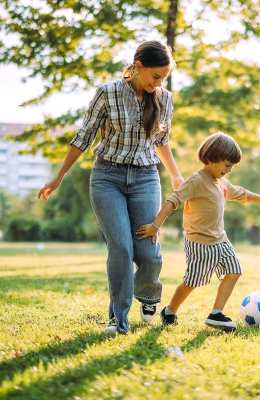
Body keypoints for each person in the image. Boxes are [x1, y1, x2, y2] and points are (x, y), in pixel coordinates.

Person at [38, 41, 184, 335]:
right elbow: (83, 138)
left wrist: (176, 177)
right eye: (156, 76)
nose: (160, 83)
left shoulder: (164, 99)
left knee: (149, 253)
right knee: (120, 247)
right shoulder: (108, 93)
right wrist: (59, 177)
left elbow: (161, 142)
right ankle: (118, 320)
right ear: (138, 66)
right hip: (108, 178)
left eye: (164, 77)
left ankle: (148, 295)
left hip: (145, 178)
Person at [136, 133, 260, 331]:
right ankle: (169, 311)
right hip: (199, 243)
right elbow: (173, 201)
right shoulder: (196, 181)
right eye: (227, 165)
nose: (228, 170)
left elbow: (243, 194)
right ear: (212, 158)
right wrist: (155, 225)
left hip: (221, 240)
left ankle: (216, 313)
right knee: (191, 281)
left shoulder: (221, 183)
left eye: (231, 167)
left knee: (234, 271)